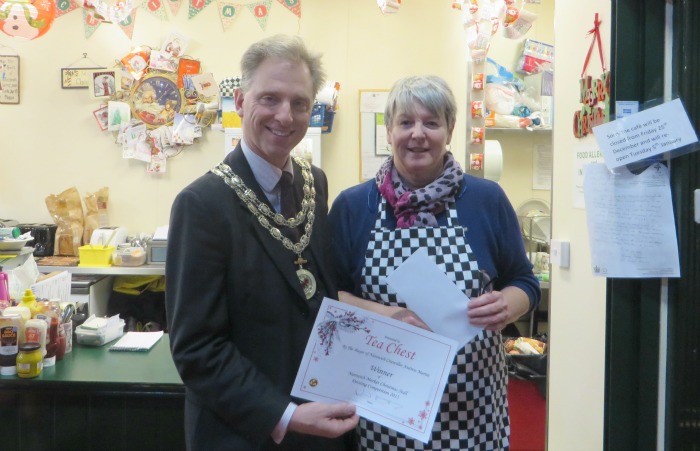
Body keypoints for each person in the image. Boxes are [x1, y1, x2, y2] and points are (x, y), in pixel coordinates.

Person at [166, 34, 359, 451]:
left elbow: (316, 295)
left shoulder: (314, 184)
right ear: (240, 102)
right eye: (269, 98)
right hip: (242, 431)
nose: (285, 116)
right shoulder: (201, 204)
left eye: (300, 103)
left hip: (319, 423)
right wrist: (284, 415)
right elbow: (196, 349)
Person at [328, 75, 541, 450]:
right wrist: (385, 314)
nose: (418, 134)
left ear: (450, 129)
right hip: (386, 408)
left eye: (431, 122)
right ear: (389, 130)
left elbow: (525, 281)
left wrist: (508, 304)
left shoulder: (486, 199)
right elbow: (329, 296)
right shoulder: (354, 206)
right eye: (406, 122)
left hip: (473, 411)